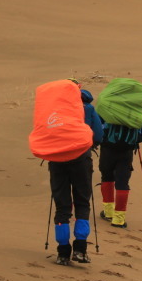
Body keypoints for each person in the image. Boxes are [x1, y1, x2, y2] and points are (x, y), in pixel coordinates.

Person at [48, 81, 103, 265]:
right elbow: (98, 136)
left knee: (62, 206)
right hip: (81, 159)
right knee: (82, 202)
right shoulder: (87, 109)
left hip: (56, 160)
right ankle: (80, 250)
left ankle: (63, 253)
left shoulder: (51, 109)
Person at [98, 110, 142, 229]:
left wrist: (102, 138)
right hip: (126, 150)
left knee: (107, 177)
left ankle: (108, 212)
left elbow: (97, 123)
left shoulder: (108, 104)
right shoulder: (136, 107)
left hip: (107, 148)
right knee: (123, 182)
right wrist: (136, 140)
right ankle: (119, 219)